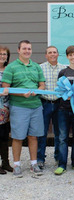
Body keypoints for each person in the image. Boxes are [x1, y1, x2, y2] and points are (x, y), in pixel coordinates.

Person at [2, 40, 46, 178]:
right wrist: (21, 93)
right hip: (19, 107)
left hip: (36, 106)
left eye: (29, 49)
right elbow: (5, 88)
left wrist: (37, 91)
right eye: (24, 49)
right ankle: (17, 165)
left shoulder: (36, 67)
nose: (27, 51)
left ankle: (33, 164)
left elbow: (42, 85)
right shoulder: (11, 67)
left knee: (33, 136)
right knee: (18, 137)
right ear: (19, 50)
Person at [54, 46, 74, 175]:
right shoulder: (63, 72)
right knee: (62, 137)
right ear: (67, 57)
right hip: (63, 109)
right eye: (70, 55)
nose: (73, 57)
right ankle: (62, 164)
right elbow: (59, 90)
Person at [37, 46, 66, 169]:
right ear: (46, 55)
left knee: (59, 133)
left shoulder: (63, 69)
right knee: (42, 132)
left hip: (59, 104)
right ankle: (40, 159)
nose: (52, 54)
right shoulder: (40, 68)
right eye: (50, 53)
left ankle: (58, 157)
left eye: (54, 52)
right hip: (45, 103)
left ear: (58, 54)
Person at [0, 45, 13, 174]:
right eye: (1, 54)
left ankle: (5, 162)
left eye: (4, 54)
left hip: (7, 109)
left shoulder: (9, 70)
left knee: (4, 137)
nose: (2, 56)